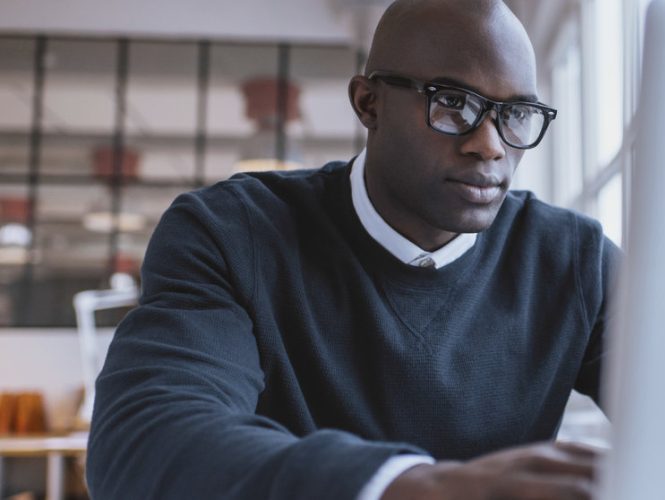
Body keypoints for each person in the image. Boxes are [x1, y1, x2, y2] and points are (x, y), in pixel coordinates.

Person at [85, 1, 620, 499]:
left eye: (517, 113)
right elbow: (143, 441)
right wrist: (409, 487)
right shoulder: (232, 233)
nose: (491, 144)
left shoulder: (576, 261)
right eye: (453, 103)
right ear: (369, 104)